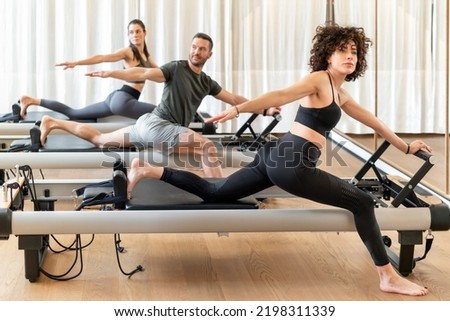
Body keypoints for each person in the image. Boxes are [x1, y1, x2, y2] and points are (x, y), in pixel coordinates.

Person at [125, 25, 432, 296]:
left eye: (353, 51)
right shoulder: (319, 80)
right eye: (342, 50)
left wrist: (405, 146)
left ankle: (150, 170)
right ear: (328, 55)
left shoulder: (341, 94)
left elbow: (374, 122)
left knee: (214, 193)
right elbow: (281, 94)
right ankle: (387, 276)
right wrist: (240, 109)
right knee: (363, 203)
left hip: (275, 155)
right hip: (293, 165)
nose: (349, 56)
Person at [38, 33, 267, 177]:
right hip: (159, 127)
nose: (196, 51)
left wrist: (264, 108)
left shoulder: (207, 82)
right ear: (190, 48)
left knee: (100, 140)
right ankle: (218, 196)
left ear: (210, 53)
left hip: (146, 126)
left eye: (202, 49)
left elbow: (235, 100)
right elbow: (145, 72)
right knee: (207, 148)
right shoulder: (176, 69)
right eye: (194, 47)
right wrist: (112, 73)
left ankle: (52, 121)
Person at [19, 19, 158, 120]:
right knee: (160, 112)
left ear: (145, 33)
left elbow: (163, 73)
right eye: (131, 32)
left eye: (138, 31)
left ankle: (31, 100)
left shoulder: (147, 56)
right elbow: (102, 57)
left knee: (74, 113)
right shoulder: (128, 52)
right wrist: (76, 62)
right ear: (128, 35)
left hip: (116, 98)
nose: (135, 35)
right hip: (123, 99)